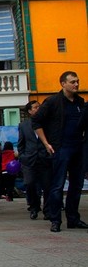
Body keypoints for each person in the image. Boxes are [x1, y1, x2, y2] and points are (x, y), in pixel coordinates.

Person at [33, 71, 88, 232]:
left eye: (77, 81)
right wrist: (46, 143)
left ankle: (73, 218)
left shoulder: (80, 102)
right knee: (57, 186)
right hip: (61, 148)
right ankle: (55, 219)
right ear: (63, 84)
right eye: (72, 82)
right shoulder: (52, 102)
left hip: (78, 147)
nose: (76, 84)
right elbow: (36, 121)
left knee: (76, 185)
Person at [17, 101, 51, 220]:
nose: (38, 109)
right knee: (29, 184)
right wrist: (23, 156)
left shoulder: (47, 123)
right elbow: (21, 144)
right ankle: (34, 207)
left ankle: (48, 210)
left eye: (39, 107)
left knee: (47, 186)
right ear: (30, 111)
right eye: (36, 107)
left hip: (44, 159)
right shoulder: (23, 125)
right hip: (29, 160)